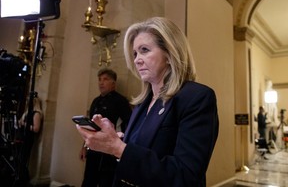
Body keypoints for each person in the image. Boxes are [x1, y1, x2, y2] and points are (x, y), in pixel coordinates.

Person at [76, 17, 219, 187]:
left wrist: (118, 148)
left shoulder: (197, 98)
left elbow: (185, 176)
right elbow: (137, 153)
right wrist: (115, 140)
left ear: (169, 53)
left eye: (144, 50)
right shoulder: (141, 104)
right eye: (135, 53)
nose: (136, 59)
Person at [80, 68, 132, 187]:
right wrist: (84, 146)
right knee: (88, 179)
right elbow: (89, 126)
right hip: (92, 148)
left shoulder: (121, 101)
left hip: (110, 151)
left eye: (105, 79)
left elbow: (129, 124)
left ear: (113, 83)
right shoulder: (95, 101)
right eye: (99, 80)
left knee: (106, 181)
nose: (101, 83)